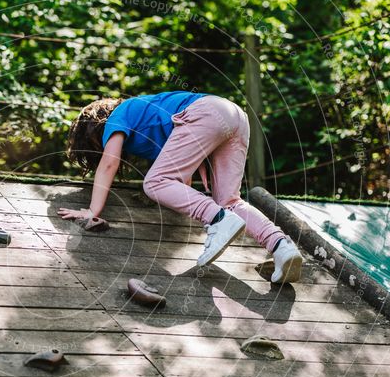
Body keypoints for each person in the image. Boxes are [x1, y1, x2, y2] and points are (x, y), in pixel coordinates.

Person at [58, 91, 303, 284]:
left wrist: (92, 211)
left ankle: (218, 219)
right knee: (229, 201)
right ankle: (281, 247)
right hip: (234, 115)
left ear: (92, 129)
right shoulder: (146, 119)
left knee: (154, 183)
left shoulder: (117, 117)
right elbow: (182, 186)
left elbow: (109, 164)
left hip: (208, 112)